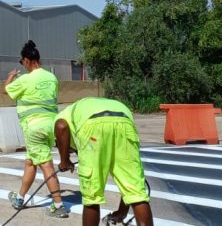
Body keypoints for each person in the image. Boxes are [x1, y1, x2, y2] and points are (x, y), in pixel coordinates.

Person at [55, 97, 153, 226]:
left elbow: (61, 126)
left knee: (92, 196)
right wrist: (121, 213)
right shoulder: (76, 110)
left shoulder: (61, 117)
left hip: (93, 129)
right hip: (124, 121)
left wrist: (64, 160)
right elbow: (128, 190)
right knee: (135, 191)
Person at [4, 40, 69, 218]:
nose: (22, 65)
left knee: (46, 164)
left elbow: (6, 90)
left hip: (34, 127)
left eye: (22, 62)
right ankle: (19, 198)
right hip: (52, 125)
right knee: (31, 162)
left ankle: (59, 205)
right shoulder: (51, 78)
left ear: (26, 60)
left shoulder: (25, 79)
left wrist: (11, 76)